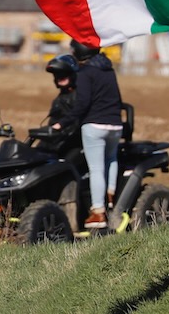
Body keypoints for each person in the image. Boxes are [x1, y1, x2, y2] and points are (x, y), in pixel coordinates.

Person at [52, 39, 123, 230]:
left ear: (80, 53)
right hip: (115, 125)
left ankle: (98, 212)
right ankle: (111, 194)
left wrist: (62, 123)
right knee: (111, 158)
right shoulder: (108, 70)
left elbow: (82, 104)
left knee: (96, 169)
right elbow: (117, 98)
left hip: (95, 126)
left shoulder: (84, 73)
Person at [40, 55, 82, 158]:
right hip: (55, 140)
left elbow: (78, 122)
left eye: (64, 74)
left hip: (74, 142)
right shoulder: (59, 98)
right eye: (57, 74)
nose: (60, 77)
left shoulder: (80, 96)